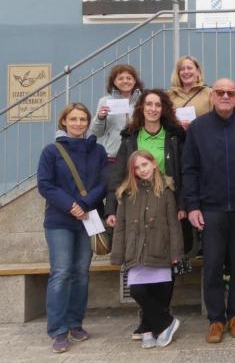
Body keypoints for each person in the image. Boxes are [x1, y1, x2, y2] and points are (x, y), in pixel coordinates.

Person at [182, 78, 235, 343]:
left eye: (230, 92)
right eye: (220, 92)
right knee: (213, 265)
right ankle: (216, 319)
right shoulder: (198, 128)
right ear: (212, 96)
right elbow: (189, 169)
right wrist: (192, 205)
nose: (225, 96)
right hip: (211, 209)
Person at [103, 89, 187, 340]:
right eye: (148, 104)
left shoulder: (173, 135)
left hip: (166, 203)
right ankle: (154, 319)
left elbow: (183, 172)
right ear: (141, 108)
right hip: (136, 205)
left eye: (157, 105)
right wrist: (111, 207)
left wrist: (183, 203)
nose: (153, 109)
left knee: (163, 263)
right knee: (140, 265)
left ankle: (156, 317)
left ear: (164, 109)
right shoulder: (130, 136)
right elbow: (118, 173)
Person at [36, 103, 107, 353]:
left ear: (88, 123)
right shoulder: (51, 151)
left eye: (82, 120)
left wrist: (85, 204)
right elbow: (45, 185)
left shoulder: (97, 150)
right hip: (60, 221)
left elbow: (103, 182)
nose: (78, 124)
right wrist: (72, 206)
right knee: (62, 272)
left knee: (81, 272)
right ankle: (58, 330)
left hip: (88, 218)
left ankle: (76, 323)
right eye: (73, 119)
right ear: (63, 122)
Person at [111, 151, 183, 349]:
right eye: (137, 167)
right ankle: (166, 322)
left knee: (159, 293)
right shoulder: (127, 194)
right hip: (136, 250)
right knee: (137, 290)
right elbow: (121, 226)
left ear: (154, 164)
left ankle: (151, 328)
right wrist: (118, 253)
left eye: (144, 164)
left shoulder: (166, 190)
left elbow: (173, 224)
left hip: (160, 247)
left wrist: (176, 253)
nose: (142, 170)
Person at [91, 65, 144, 159]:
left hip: (137, 155)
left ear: (134, 81)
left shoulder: (143, 102)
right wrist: (100, 117)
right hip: (112, 155)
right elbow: (97, 132)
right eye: (120, 78)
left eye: (129, 78)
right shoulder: (105, 101)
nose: (125, 81)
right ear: (114, 82)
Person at [167, 55, 213, 130]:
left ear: (198, 71)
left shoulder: (210, 93)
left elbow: (216, 121)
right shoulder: (169, 95)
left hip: (201, 139)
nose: (186, 72)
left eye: (189, 68)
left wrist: (194, 126)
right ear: (178, 73)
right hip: (178, 140)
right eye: (182, 69)